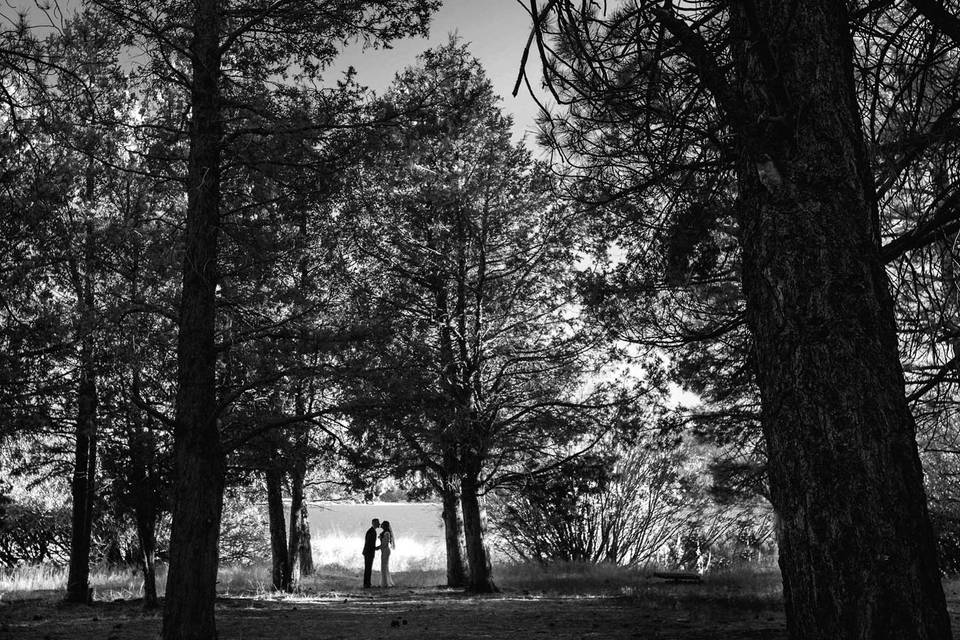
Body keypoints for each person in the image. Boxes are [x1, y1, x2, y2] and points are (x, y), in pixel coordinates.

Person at [362, 518, 380, 588]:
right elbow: (369, 543)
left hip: (368, 552)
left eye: (378, 523)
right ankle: (367, 583)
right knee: (368, 568)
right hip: (369, 552)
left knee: (368, 568)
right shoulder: (372, 531)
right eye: (377, 523)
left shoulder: (372, 531)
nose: (378, 524)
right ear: (373, 523)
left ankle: (367, 583)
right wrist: (376, 548)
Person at [379, 520, 396, 587]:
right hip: (384, 550)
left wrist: (377, 547)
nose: (381, 526)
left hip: (385, 550)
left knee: (384, 566)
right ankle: (386, 582)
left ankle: (385, 583)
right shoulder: (384, 532)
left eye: (383, 525)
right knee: (384, 566)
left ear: (385, 526)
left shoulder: (387, 533)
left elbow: (385, 543)